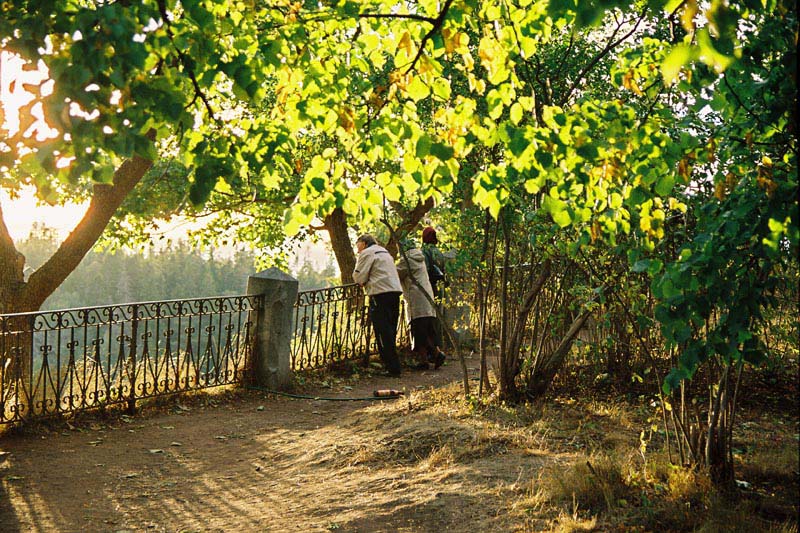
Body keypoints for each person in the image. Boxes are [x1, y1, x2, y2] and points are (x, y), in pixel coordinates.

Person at [352, 234, 404, 377]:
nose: (358, 251)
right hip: (394, 291)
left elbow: (358, 277)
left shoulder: (367, 253)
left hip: (379, 294)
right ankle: (394, 366)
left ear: (364, 243)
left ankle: (392, 368)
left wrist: (362, 281)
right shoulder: (384, 252)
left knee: (382, 331)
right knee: (391, 329)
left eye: (358, 246)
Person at [395, 238, 446, 370]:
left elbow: (396, 274)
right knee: (428, 330)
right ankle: (433, 356)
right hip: (426, 297)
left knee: (419, 331)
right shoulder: (419, 257)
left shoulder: (407, 260)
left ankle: (429, 358)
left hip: (416, 299)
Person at [421, 226, 447, 299]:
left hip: (429, 285)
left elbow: (426, 269)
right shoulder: (439, 252)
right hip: (439, 285)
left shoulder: (425, 250)